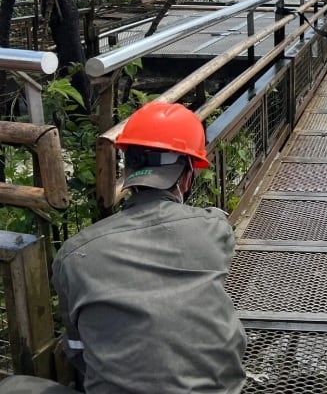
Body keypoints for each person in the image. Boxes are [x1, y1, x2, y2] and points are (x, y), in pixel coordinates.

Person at [51, 102, 247, 393]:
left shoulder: (74, 253)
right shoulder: (215, 228)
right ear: (188, 175)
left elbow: (78, 348)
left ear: (127, 168)